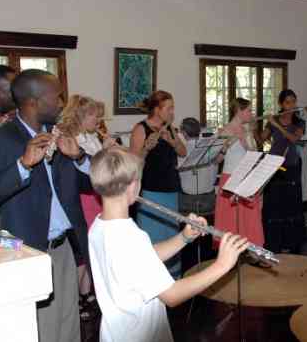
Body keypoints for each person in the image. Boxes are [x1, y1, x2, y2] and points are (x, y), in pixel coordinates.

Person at [0, 69, 91, 342]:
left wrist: (79, 156)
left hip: (64, 248)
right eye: (56, 97)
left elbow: (93, 184)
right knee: (42, 330)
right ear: (33, 102)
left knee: (69, 327)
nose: (61, 102)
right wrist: (22, 166)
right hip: (27, 250)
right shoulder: (0, 139)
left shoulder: (61, 135)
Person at [88, 146, 249, 342]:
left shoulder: (99, 225)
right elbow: (172, 296)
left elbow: (142, 259)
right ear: (133, 186)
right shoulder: (130, 237)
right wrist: (222, 265)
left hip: (117, 333)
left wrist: (183, 238)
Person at [59, 95, 116, 320]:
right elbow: (89, 168)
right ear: (81, 116)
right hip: (83, 197)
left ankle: (87, 291)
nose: (99, 119)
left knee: (91, 247)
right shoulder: (73, 138)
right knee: (82, 250)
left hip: (95, 194)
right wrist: (105, 151)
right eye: (94, 114)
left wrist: (107, 149)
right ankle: (78, 297)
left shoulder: (91, 136)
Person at [129, 90, 187, 279]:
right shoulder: (141, 129)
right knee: (152, 235)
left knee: (171, 234)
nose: (172, 112)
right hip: (151, 190)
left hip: (171, 188)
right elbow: (133, 162)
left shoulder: (169, 128)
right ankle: (152, 278)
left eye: (172, 108)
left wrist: (173, 141)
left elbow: (183, 152)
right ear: (156, 109)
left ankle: (172, 278)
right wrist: (147, 148)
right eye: (169, 108)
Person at [214, 98, 264, 252]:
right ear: (239, 111)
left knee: (250, 217)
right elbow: (217, 160)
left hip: (246, 177)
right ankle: (231, 254)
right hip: (230, 177)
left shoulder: (246, 129)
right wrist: (225, 146)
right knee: (230, 220)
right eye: (249, 110)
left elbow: (253, 154)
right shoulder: (226, 130)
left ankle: (251, 251)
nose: (252, 113)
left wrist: (249, 135)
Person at [260, 89, 305, 253]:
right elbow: (261, 138)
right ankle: (273, 242)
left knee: (291, 204)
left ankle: (290, 241)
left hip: (291, 165)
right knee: (274, 205)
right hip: (274, 165)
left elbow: (294, 138)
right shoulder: (274, 120)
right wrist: (259, 127)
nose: (291, 105)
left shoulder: (299, 122)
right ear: (281, 104)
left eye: (293, 101)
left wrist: (277, 124)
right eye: (288, 102)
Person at [178, 117, 217, 215]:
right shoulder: (211, 148)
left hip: (188, 199)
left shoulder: (181, 150)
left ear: (184, 133)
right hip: (209, 198)